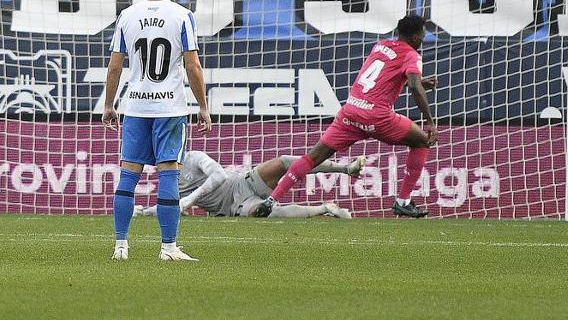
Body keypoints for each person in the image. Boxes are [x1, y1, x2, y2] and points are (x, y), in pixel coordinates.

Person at [257, 14, 438, 219]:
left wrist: (420, 84)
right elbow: (413, 85)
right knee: (423, 141)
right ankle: (403, 201)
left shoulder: (380, 46)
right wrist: (429, 121)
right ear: (415, 36)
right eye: (422, 35)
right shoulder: (412, 55)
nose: (423, 39)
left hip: (350, 112)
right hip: (377, 116)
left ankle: (271, 200)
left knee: (313, 156)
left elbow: (384, 79)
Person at [103, 0, 210, 262]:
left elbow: (115, 66)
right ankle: (168, 248)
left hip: (135, 106)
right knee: (168, 174)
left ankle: (121, 246)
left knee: (129, 174)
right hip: (169, 108)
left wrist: (109, 105)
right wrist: (203, 106)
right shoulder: (183, 16)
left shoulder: (127, 15)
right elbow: (193, 65)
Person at [134, 150, 360, 218]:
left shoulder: (194, 157)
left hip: (244, 182)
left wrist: (190, 200)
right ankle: (327, 209)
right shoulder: (167, 179)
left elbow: (219, 175)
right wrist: (142, 212)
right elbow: (169, 208)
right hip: (235, 206)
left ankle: (346, 168)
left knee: (282, 162)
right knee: (267, 213)